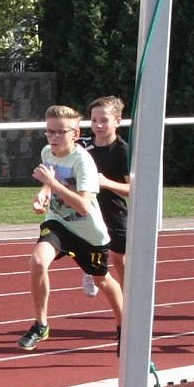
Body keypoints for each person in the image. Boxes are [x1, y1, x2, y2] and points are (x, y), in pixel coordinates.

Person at [18, 105, 123, 352]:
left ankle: (124, 326)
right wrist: (43, 193)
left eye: (60, 132)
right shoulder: (47, 152)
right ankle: (41, 325)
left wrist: (51, 183)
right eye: (49, 131)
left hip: (88, 233)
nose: (53, 137)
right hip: (58, 223)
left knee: (102, 280)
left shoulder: (83, 161)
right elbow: (51, 180)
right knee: (37, 261)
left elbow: (84, 206)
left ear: (75, 134)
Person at [80, 96, 131, 297]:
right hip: (86, 208)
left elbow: (132, 189)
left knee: (119, 257)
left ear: (117, 121)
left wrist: (106, 182)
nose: (98, 125)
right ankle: (90, 269)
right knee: (79, 242)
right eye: (94, 120)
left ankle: (128, 298)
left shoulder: (122, 150)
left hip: (113, 209)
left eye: (104, 120)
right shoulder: (82, 145)